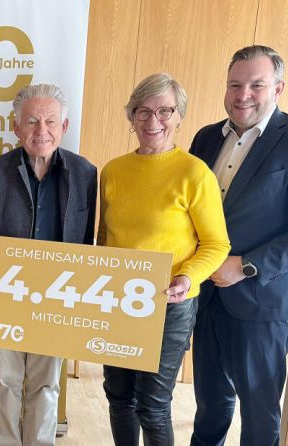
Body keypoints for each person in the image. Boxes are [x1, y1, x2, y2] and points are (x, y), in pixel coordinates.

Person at [189, 45, 288, 446]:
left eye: (256, 85)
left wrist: (246, 265)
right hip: (207, 294)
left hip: (264, 298)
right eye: (235, 85)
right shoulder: (206, 138)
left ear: (278, 88)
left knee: (259, 415)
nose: (243, 95)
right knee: (209, 405)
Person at [97, 73, 230, 445]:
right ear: (132, 116)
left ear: (178, 116)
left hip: (170, 304)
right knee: (119, 397)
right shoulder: (113, 171)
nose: (153, 120)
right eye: (143, 111)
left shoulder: (195, 174)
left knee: (152, 406)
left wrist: (188, 278)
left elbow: (216, 244)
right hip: (118, 301)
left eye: (164, 111)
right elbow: (105, 237)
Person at [0, 84, 97, 446]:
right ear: (16, 128)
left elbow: (88, 239)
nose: (42, 130)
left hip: (57, 298)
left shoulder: (85, 173)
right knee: (4, 382)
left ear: (64, 126)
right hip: (6, 295)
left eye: (50, 121)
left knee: (46, 384)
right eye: (32, 121)